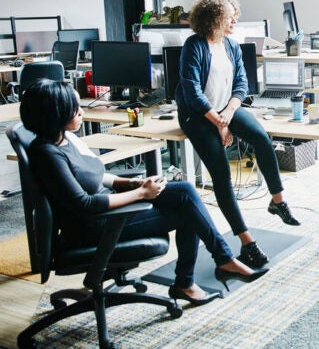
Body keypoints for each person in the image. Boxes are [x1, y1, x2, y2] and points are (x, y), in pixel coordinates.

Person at [20, 80, 263, 305]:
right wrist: (141, 194)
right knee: (189, 210)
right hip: (94, 226)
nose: (81, 112)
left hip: (106, 212)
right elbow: (86, 204)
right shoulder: (47, 154)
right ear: (54, 114)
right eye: (74, 109)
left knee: (186, 192)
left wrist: (133, 184)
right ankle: (199, 275)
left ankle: (218, 262)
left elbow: (96, 175)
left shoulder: (64, 139)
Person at [175, 0, 300, 271]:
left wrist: (228, 114)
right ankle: (246, 242)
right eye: (229, 15)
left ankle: (277, 201)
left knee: (261, 139)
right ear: (213, 19)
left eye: (234, 14)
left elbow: (242, 84)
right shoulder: (193, 46)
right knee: (221, 175)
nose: (235, 19)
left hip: (224, 109)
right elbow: (191, 92)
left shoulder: (231, 45)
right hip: (197, 115)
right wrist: (218, 122)